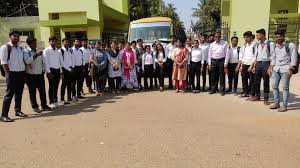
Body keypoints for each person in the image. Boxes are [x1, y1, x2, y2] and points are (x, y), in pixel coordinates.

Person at [0, 31, 27, 122]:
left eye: (17, 36)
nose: (16, 38)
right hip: (12, 74)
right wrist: (8, 74)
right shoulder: (5, 47)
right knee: (9, 95)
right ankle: (4, 115)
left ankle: (18, 111)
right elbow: (4, 62)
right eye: (14, 36)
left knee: (19, 94)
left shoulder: (20, 47)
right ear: (10, 37)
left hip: (21, 73)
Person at [269, 30, 298, 112]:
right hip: (276, 69)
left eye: (280, 36)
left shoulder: (290, 45)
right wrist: (271, 68)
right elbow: (273, 58)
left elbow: (294, 57)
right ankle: (276, 103)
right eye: (277, 37)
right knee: (274, 86)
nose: (278, 38)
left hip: (286, 69)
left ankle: (284, 106)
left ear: (284, 36)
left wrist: (291, 69)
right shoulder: (275, 46)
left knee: (285, 88)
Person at [24, 37, 51, 113]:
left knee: (42, 91)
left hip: (40, 75)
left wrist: (43, 70)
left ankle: (44, 105)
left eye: (36, 43)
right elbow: (27, 61)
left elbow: (42, 62)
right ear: (29, 44)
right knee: (32, 92)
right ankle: (35, 107)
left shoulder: (38, 51)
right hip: (31, 76)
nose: (35, 45)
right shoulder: (26, 51)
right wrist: (36, 55)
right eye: (33, 43)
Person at [250, 29, 274, 105]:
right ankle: (257, 96)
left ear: (262, 35)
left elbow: (272, 56)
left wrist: (270, 68)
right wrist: (254, 66)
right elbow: (255, 56)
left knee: (266, 81)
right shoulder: (257, 44)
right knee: (256, 81)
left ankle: (266, 98)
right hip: (258, 64)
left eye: (257, 35)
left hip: (266, 63)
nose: (256, 36)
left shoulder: (270, 44)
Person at [44, 36, 65, 108]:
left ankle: (55, 100)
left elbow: (60, 61)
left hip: (57, 70)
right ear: (49, 42)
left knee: (56, 86)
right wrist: (48, 72)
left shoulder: (58, 50)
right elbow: (45, 62)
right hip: (51, 71)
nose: (54, 42)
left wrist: (61, 71)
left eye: (55, 41)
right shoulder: (46, 50)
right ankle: (51, 102)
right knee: (51, 87)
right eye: (52, 41)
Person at [208, 32, 229, 96]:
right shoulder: (212, 44)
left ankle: (222, 90)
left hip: (221, 61)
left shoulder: (225, 43)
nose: (217, 37)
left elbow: (227, 54)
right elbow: (209, 54)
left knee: (222, 76)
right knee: (213, 76)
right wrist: (209, 63)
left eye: (218, 36)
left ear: (220, 37)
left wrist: (225, 63)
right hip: (213, 61)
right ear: (214, 37)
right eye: (216, 36)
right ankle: (213, 89)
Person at [238, 31, 257, 98]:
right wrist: (241, 66)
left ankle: (252, 94)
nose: (246, 39)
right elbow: (243, 56)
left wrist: (252, 66)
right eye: (245, 37)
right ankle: (245, 92)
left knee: (252, 80)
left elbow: (255, 56)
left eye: (247, 37)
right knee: (244, 79)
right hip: (245, 64)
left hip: (251, 64)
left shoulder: (255, 45)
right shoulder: (245, 45)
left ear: (251, 37)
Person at [59, 38, 74, 105]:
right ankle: (62, 99)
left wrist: (72, 67)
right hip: (65, 69)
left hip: (70, 69)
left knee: (69, 84)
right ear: (62, 42)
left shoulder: (70, 50)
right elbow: (61, 62)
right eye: (66, 42)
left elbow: (72, 59)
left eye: (68, 42)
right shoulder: (61, 51)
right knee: (64, 85)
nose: (67, 43)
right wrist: (68, 69)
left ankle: (69, 97)